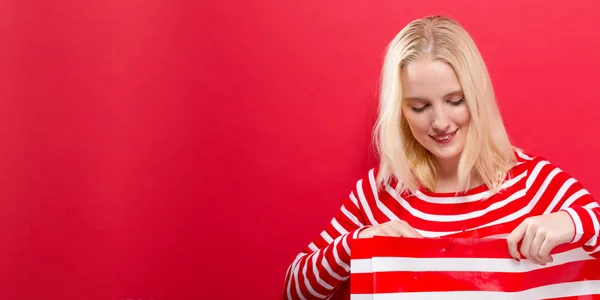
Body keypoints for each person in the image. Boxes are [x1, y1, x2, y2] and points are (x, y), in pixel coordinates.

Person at [282, 15, 600, 300]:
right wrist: (360, 241)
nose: (440, 122)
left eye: (455, 100)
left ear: (478, 96)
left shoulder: (532, 183)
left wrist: (572, 223)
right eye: (419, 107)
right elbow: (297, 289)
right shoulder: (382, 192)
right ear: (400, 112)